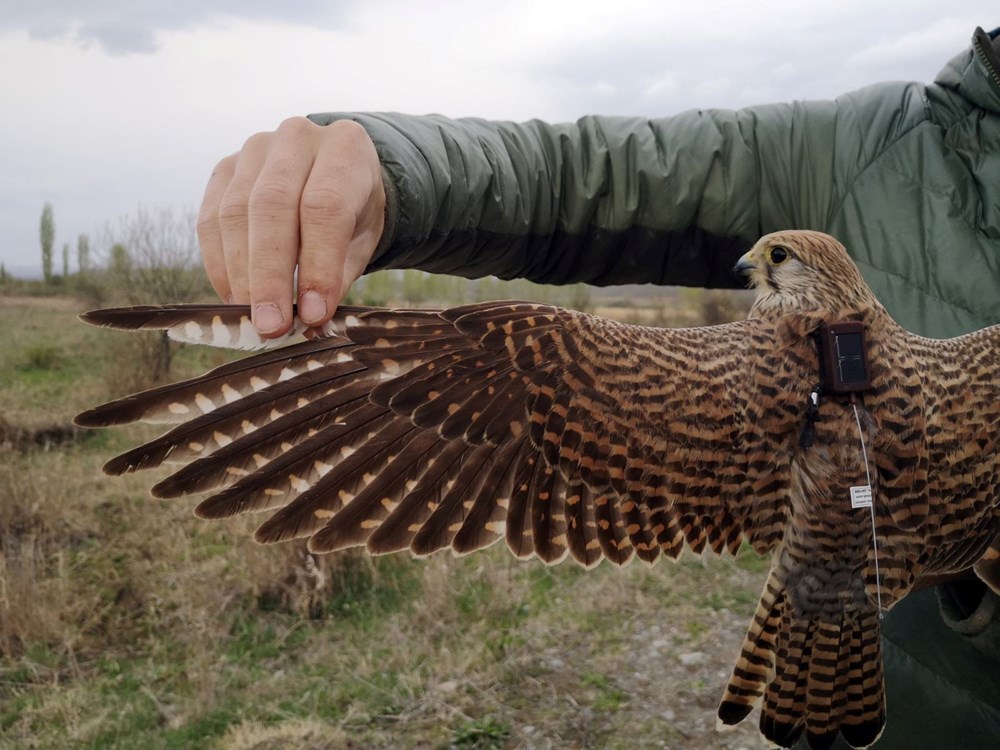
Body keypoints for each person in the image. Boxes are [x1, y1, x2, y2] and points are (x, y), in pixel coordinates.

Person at [196, 25, 1000, 749]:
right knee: (516, 353)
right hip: (925, 695)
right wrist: (377, 160)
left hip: (895, 622)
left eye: (775, 261)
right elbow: (587, 173)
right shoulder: (878, 150)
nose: (757, 269)